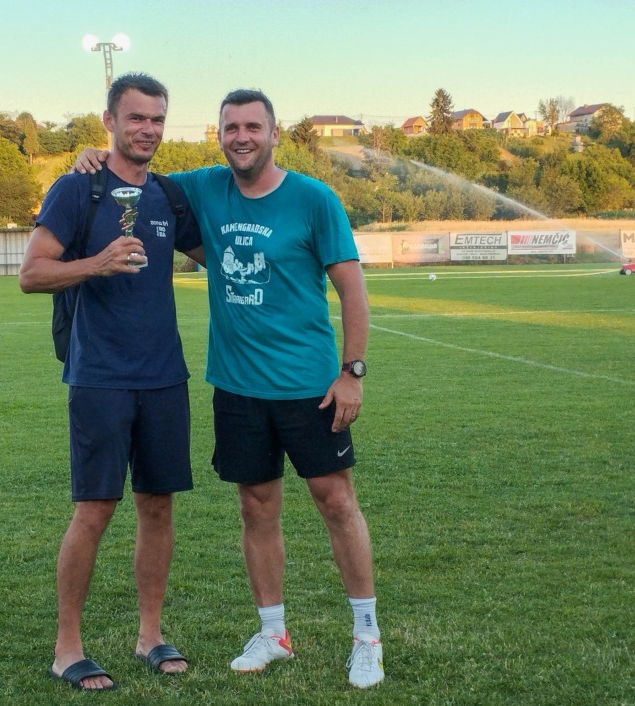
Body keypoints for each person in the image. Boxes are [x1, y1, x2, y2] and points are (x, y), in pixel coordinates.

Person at [74, 88, 383, 688]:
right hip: (237, 386)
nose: (242, 137)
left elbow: (353, 290)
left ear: (274, 133)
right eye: (231, 128)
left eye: (252, 127)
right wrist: (94, 155)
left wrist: (352, 372)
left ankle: (366, 635)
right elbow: (136, 174)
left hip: (309, 385)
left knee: (336, 502)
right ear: (218, 135)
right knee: (256, 506)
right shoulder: (203, 187)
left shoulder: (314, 199)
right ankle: (273, 633)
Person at [19, 72, 204, 691]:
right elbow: (31, 273)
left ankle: (150, 635)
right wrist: (97, 263)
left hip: (164, 376)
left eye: (157, 119)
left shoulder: (169, 196)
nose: (147, 129)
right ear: (109, 122)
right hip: (99, 376)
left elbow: (216, 254)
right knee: (94, 509)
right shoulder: (78, 189)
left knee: (158, 506)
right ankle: (66, 647)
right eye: (136, 118)